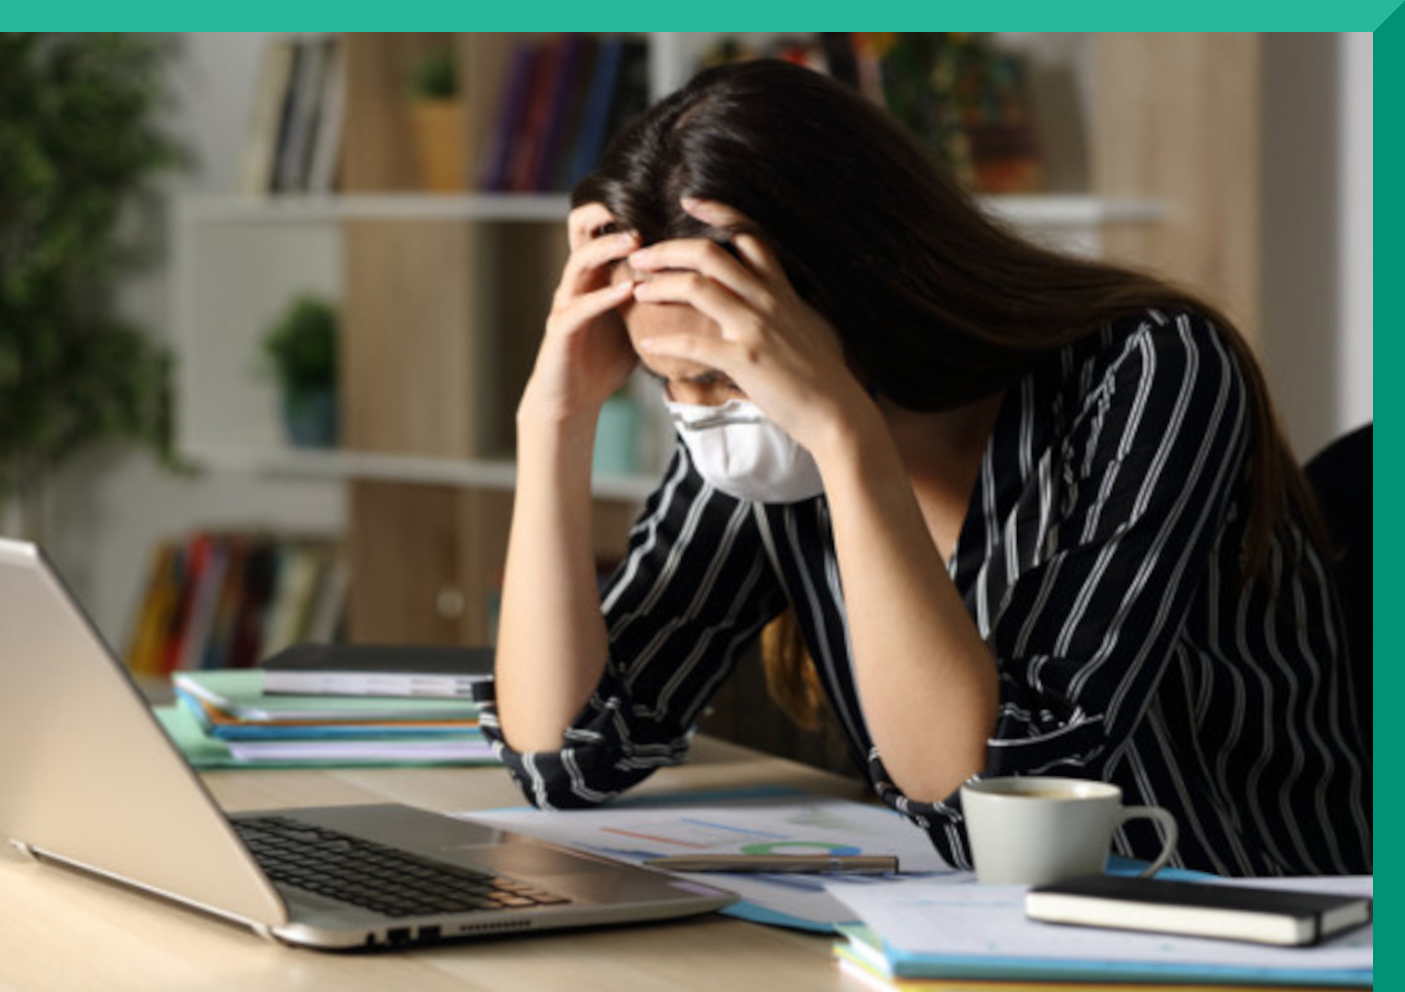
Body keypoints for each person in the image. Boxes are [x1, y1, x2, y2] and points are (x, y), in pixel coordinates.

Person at [475, 59, 1371, 877]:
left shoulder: (1152, 370)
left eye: (723, 374)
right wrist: (554, 420)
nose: (705, 415)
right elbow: (568, 757)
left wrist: (844, 434)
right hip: (986, 945)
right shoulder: (763, 453)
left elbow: (1001, 796)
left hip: (1256, 925)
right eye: (672, 382)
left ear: (857, 291)